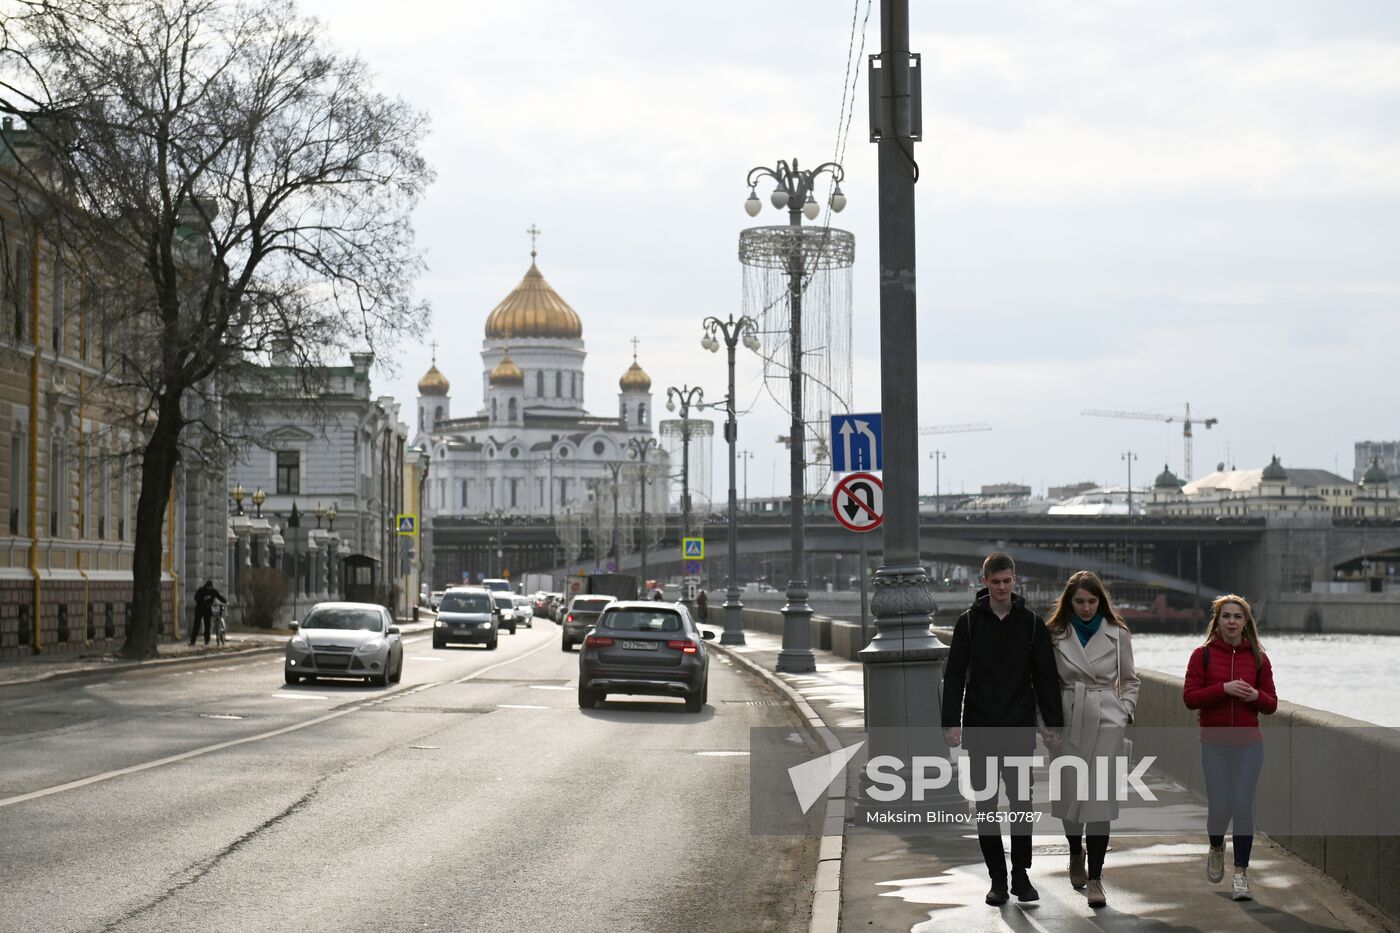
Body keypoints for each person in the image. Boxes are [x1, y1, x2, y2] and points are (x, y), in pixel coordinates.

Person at [943, 553, 1065, 906]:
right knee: (985, 806)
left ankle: (1021, 876)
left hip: (1017, 728)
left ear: (1015, 581)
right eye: (995, 582)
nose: (1001, 587)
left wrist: (1051, 727)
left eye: (1006, 581)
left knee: (1021, 804)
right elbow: (954, 678)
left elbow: (1045, 679)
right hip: (980, 727)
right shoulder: (967, 624)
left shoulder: (1031, 624)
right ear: (984, 582)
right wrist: (951, 722)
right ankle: (997, 878)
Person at [1043, 570, 1139, 908]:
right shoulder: (1053, 634)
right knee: (1070, 797)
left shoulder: (1118, 634)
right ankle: (1075, 851)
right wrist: (1046, 725)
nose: (1086, 608)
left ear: (1101, 601)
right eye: (1079, 601)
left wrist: (1124, 710)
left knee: (1099, 800)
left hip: (1106, 721)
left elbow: (1130, 680)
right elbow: (1043, 685)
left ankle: (1097, 878)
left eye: (1092, 601)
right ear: (1069, 602)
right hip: (1067, 719)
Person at [1183, 594, 1277, 902]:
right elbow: (1190, 698)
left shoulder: (1259, 658)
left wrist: (1254, 697)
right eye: (1226, 616)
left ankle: (1240, 875)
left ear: (1246, 621)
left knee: (1242, 805)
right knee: (1220, 807)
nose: (1232, 621)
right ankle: (1215, 846)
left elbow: (1272, 704)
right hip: (1214, 744)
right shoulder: (1203, 655)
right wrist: (1222, 689)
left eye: (1238, 616)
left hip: (1250, 746)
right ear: (1218, 621)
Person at [189, 580, 228, 646]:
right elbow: (196, 597)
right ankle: (193, 641)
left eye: (210, 587)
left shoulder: (213, 591)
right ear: (206, 586)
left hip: (207, 610)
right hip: (199, 609)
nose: (209, 588)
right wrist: (203, 598)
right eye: (208, 587)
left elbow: (219, 596)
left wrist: (225, 601)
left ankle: (207, 640)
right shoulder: (201, 590)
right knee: (196, 625)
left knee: (207, 626)